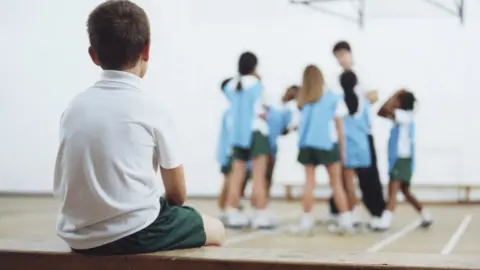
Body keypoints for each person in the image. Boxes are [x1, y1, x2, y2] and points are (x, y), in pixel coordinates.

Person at [53, 0, 225, 255]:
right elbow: (177, 195)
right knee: (218, 229)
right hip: (134, 232)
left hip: (77, 236)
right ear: (146, 50)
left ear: (93, 55)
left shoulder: (73, 108)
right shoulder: (153, 107)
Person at [327, 41, 386, 228]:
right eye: (337, 57)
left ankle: (374, 212)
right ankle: (342, 210)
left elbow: (374, 95)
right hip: (353, 138)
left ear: (349, 54)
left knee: (362, 177)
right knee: (345, 180)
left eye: (342, 55)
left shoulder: (362, 74)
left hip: (356, 137)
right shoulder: (338, 83)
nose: (340, 60)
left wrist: (359, 98)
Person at [291, 65, 354, 235]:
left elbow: (297, 125)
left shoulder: (303, 101)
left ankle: (306, 221)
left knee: (309, 183)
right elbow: (339, 126)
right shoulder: (333, 98)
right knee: (336, 183)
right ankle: (346, 220)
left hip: (307, 145)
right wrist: (343, 149)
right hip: (328, 144)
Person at [222, 52, 275, 229]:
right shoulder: (256, 84)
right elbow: (264, 108)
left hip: (237, 134)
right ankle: (259, 213)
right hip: (256, 132)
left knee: (236, 175)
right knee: (259, 175)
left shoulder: (231, 85)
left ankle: (232, 211)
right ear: (254, 66)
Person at [375, 90, 433, 230]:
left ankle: (385, 222)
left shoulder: (403, 115)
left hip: (401, 158)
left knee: (392, 191)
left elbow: (384, 109)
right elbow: (380, 113)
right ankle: (425, 215)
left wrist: (393, 95)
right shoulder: (405, 116)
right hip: (403, 159)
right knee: (405, 191)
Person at [338, 70, 373, 227]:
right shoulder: (364, 103)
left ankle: (354, 212)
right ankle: (367, 212)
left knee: (348, 184)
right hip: (362, 145)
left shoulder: (339, 101)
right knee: (364, 182)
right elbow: (368, 125)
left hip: (347, 146)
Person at [217, 77, 251, 221]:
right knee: (230, 180)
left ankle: (230, 207)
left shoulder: (236, 109)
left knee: (236, 180)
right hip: (231, 151)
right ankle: (225, 209)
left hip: (234, 150)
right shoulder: (232, 111)